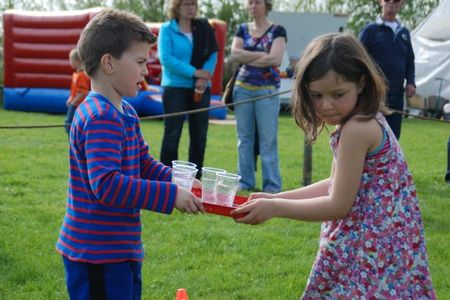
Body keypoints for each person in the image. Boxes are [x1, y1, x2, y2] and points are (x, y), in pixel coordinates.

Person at [233, 33, 435, 298]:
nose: (326, 105)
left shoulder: (356, 129)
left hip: (369, 253)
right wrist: (275, 197)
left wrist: (276, 207)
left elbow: (338, 204)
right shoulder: (361, 119)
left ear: (361, 83)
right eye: (316, 95)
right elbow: (335, 184)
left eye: (338, 94)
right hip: (380, 249)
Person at [55, 9, 204, 300]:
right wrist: (171, 195)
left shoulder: (124, 111)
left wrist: (178, 180)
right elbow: (107, 184)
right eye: (139, 62)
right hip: (96, 254)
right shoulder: (100, 117)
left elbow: (142, 163)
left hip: (117, 249)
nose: (146, 71)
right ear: (108, 63)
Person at [230, 0, 286, 192]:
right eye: (250, 2)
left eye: (258, 2)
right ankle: (245, 181)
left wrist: (247, 55)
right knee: (243, 139)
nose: (253, 5)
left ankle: (272, 185)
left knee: (268, 139)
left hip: (267, 90)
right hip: (242, 89)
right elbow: (234, 54)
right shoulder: (242, 29)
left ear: (266, 5)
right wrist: (262, 55)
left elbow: (276, 59)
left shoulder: (278, 30)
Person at [158, 0, 218, 179]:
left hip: (201, 87)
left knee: (199, 136)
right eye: (186, 4)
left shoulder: (204, 27)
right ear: (176, 7)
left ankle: (195, 180)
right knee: (172, 135)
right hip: (175, 88)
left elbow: (214, 52)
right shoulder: (167, 29)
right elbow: (166, 58)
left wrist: (203, 77)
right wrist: (194, 73)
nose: (191, 7)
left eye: (193, 4)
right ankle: (166, 177)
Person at [359, 0, 416, 140]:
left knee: (394, 136)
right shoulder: (369, 30)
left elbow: (409, 60)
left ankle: (391, 162)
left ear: (401, 4)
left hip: (397, 94)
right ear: (380, 2)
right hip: (375, 93)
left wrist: (411, 82)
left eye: (396, 0)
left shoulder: (404, 32)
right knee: (373, 133)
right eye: (387, 0)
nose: (391, 2)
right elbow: (358, 58)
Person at [64, 48, 90, 135]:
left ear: (77, 61)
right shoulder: (76, 75)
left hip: (77, 106)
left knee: (69, 125)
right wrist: (70, 98)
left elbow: (83, 92)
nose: (69, 62)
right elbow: (74, 91)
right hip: (74, 104)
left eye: (70, 59)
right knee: (69, 125)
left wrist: (73, 102)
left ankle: (74, 143)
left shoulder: (82, 76)